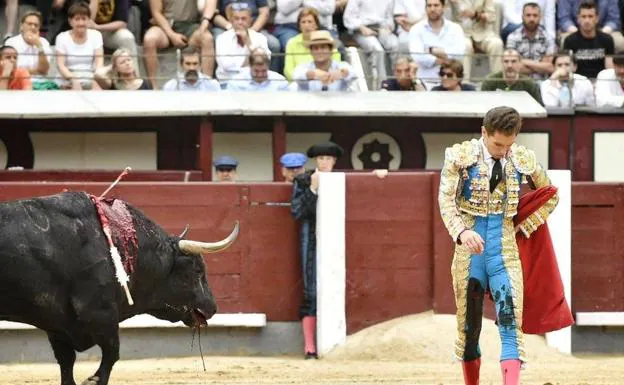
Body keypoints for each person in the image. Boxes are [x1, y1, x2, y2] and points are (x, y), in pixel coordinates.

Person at [437, 106, 561, 385]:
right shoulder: (460, 156)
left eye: (509, 144)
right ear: (484, 132)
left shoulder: (521, 158)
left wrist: (522, 227)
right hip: (470, 254)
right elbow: (445, 201)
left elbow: (550, 194)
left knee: (510, 324)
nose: (502, 150)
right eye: (497, 144)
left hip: (505, 252)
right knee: (469, 330)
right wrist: (462, 232)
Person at [290, 141, 343, 359]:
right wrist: (312, 188)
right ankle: (310, 348)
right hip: (311, 241)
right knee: (311, 293)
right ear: (315, 161)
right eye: (320, 158)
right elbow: (298, 212)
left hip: (340, 242)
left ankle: (336, 346)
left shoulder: (342, 180)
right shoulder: (303, 181)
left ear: (334, 161)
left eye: (328, 158)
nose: (324, 162)